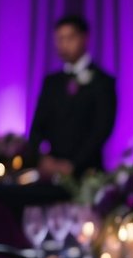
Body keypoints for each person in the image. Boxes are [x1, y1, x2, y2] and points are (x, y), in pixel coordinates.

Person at [29, 14, 117, 177]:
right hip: (50, 174)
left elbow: (101, 129)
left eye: (69, 38)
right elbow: (37, 126)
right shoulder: (51, 82)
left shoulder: (102, 81)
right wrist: (42, 158)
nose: (64, 44)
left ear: (84, 38)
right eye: (59, 39)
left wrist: (73, 164)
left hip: (88, 173)